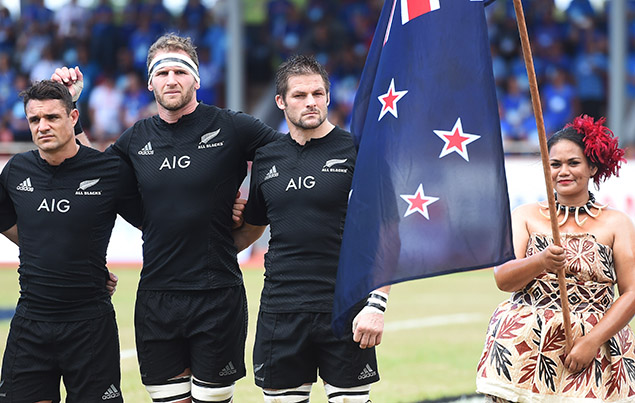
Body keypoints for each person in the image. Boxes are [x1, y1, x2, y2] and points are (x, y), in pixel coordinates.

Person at [53, 33, 280, 403]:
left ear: (197, 79)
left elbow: (287, 157)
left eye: (180, 71)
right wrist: (70, 104)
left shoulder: (232, 126)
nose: (171, 79)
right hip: (156, 299)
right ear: (150, 82)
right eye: (162, 73)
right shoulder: (136, 138)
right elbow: (92, 172)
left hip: (217, 295)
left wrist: (254, 206)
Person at [232, 54, 389, 403]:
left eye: (318, 94)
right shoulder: (267, 157)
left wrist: (377, 305)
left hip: (346, 308)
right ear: (280, 101)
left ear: (328, 97)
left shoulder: (357, 150)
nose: (311, 102)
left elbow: (386, 230)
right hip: (280, 311)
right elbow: (251, 229)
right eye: (300, 95)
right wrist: (203, 251)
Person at [0, 80, 143, 402]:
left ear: (73, 117)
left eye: (52, 117)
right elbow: (15, 225)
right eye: (35, 119)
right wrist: (56, 256)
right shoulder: (16, 170)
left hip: (90, 324)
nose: (43, 126)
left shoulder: (110, 171)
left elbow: (156, 222)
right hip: (31, 323)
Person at [475, 115, 635, 401]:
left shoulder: (617, 223)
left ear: (592, 167)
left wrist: (592, 341)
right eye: (555, 164)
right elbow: (503, 279)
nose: (564, 171)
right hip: (522, 346)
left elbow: (631, 292)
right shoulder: (524, 216)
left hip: (593, 349)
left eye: (573, 163)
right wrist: (541, 262)